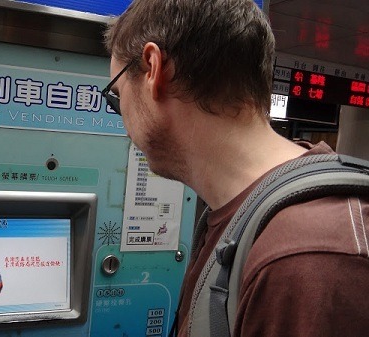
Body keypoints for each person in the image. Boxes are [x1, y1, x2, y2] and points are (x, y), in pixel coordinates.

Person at [103, 0, 369, 336]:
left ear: (154, 69)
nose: (124, 121)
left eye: (116, 96)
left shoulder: (305, 257)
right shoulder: (245, 218)